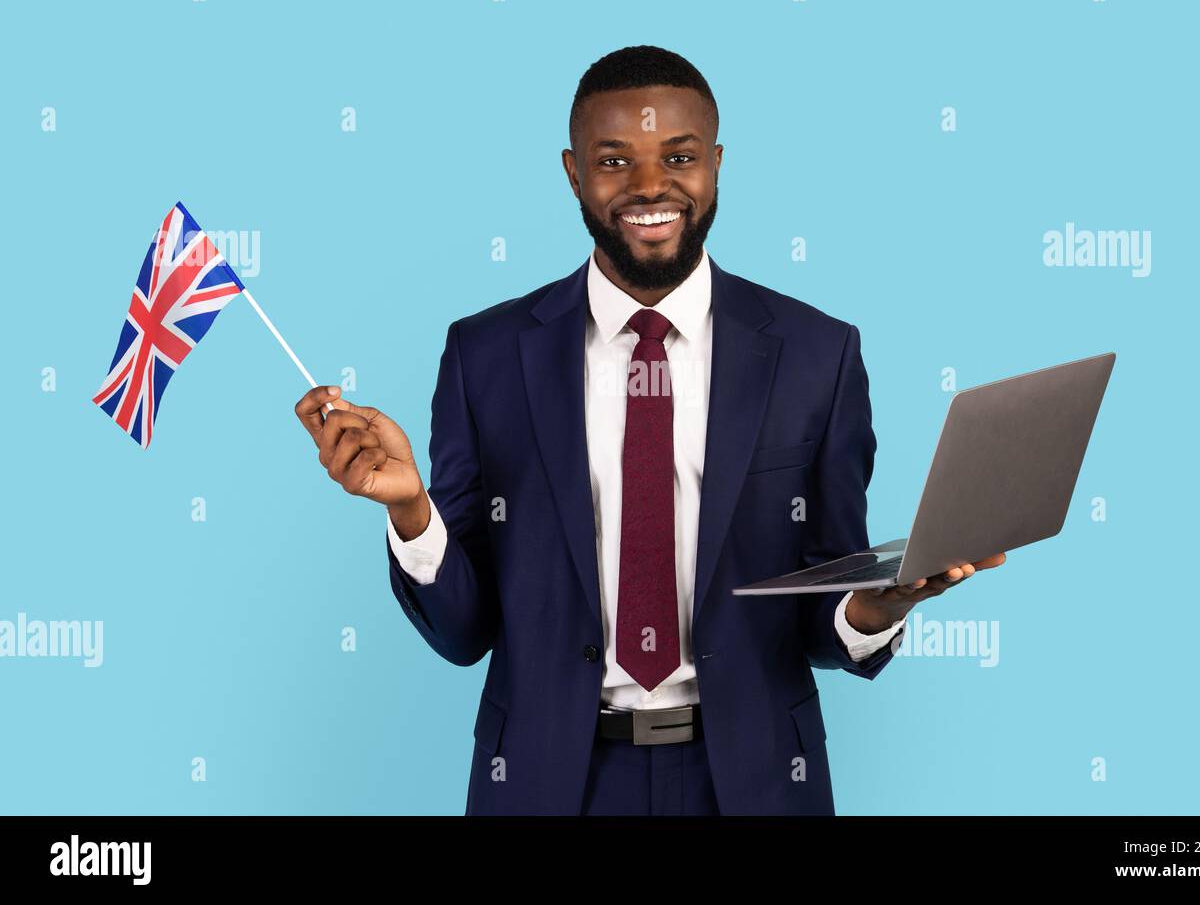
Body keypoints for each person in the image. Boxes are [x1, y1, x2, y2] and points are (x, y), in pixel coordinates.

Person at [294, 45, 1005, 815]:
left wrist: (875, 607)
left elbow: (820, 601)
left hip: (752, 782)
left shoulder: (817, 355)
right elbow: (465, 634)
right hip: (547, 783)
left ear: (718, 164)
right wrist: (412, 512)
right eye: (613, 160)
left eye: (679, 156)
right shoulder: (486, 356)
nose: (649, 187)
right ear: (572, 173)